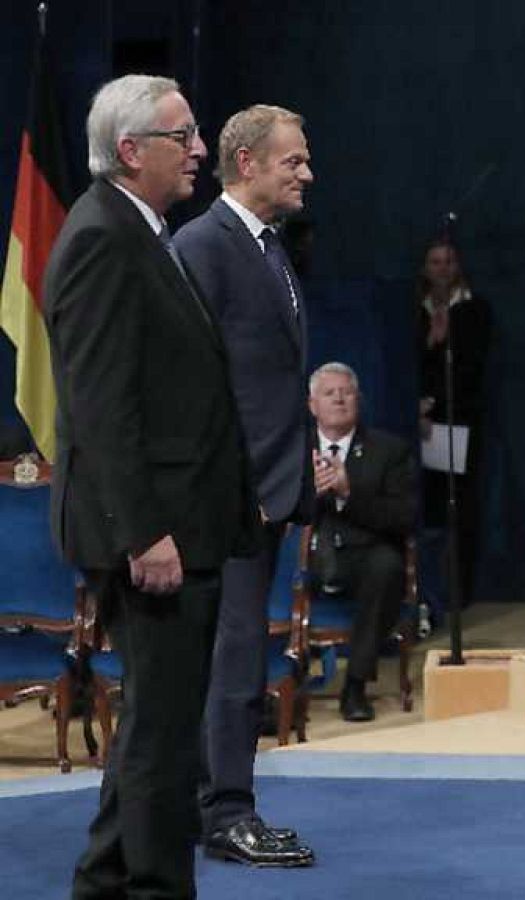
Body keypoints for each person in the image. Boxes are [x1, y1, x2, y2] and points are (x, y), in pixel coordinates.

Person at [44, 74, 254, 899]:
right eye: (185, 136)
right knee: (164, 741)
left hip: (176, 525)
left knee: (153, 729)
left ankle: (103, 884)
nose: (201, 150)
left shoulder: (139, 228)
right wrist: (144, 533)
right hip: (153, 535)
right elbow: (101, 408)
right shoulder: (103, 236)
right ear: (131, 152)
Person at [173, 103, 317, 868]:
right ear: (248, 163)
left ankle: (214, 802)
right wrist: (240, 485)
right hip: (228, 499)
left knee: (237, 656)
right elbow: (195, 387)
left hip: (266, 491)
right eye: (293, 160)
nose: (307, 173)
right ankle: (225, 812)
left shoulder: (265, 247)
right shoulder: (205, 246)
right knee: (232, 660)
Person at [305, 362, 416, 722]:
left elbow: (404, 517)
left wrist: (348, 493)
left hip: (363, 557)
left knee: (387, 566)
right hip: (307, 559)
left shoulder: (389, 450)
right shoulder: (292, 450)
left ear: (359, 400)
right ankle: (268, 687)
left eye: (346, 392)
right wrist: (309, 492)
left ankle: (354, 685)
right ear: (312, 405)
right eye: (329, 392)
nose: (338, 398)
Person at [416, 238, 489, 616]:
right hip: (420, 425)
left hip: (460, 426)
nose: (442, 269)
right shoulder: (414, 312)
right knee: (426, 511)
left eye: (449, 261)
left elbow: (471, 370)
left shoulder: (474, 310)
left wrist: (439, 405)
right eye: (435, 261)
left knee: (461, 510)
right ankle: (427, 593)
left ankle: (460, 593)